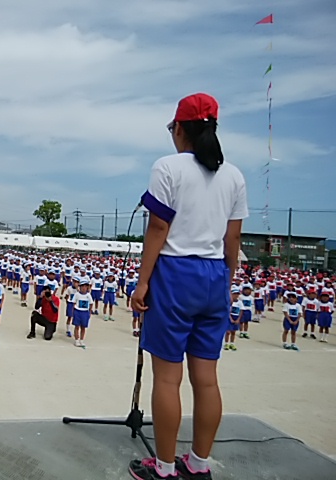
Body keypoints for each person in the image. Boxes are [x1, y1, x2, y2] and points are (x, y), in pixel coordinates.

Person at [130, 93, 248, 480]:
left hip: (175, 275)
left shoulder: (168, 167)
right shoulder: (234, 175)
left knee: (168, 378)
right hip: (215, 276)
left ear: (179, 128)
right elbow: (233, 240)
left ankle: (164, 468)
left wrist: (143, 282)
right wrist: (227, 283)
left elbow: (158, 227)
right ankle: (198, 464)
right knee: (207, 380)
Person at [72, 279, 93, 347]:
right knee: (77, 326)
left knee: (83, 327)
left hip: (85, 312)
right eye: (82, 286)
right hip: (78, 311)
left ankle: (81, 340)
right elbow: (74, 303)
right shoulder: (77, 294)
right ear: (80, 287)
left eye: (85, 286)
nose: (84, 288)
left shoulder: (88, 295)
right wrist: (73, 312)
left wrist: (89, 312)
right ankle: (76, 340)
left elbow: (91, 303)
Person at [224, 286, 242, 351]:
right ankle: (226, 343)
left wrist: (238, 319)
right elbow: (228, 311)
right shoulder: (229, 302)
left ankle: (232, 343)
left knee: (233, 332)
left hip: (236, 317)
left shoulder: (240, 302)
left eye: (237, 294)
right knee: (228, 332)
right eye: (234, 294)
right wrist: (230, 318)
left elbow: (241, 311)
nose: (236, 295)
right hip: (230, 317)